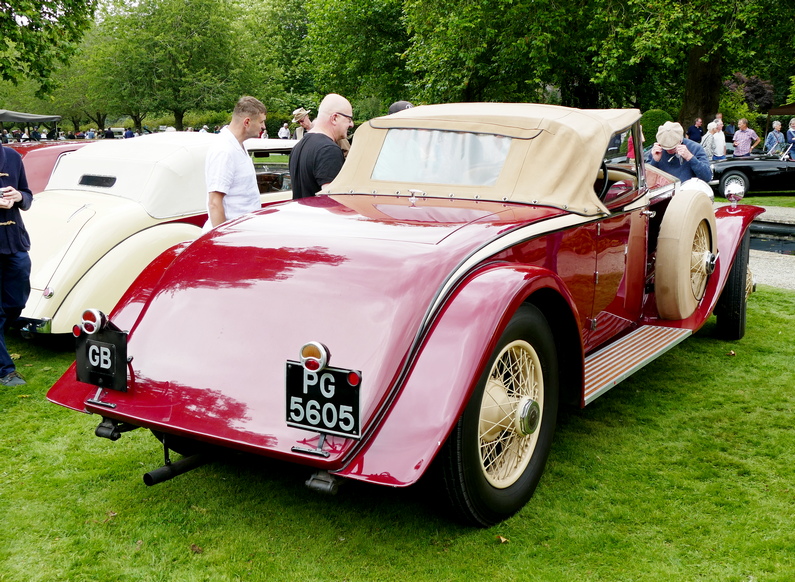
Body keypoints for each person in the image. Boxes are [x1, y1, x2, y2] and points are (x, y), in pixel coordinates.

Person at [203, 95, 267, 232]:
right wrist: (222, 239)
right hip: (231, 235)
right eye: (261, 122)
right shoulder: (224, 150)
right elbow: (214, 203)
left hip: (243, 233)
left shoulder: (237, 146)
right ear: (247, 122)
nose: (263, 126)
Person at [0, 144, 34, 386]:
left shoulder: (11, 156)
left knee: (16, 303)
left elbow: (28, 195)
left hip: (15, 243)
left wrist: (19, 197)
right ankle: (6, 371)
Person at [289, 93, 353, 199]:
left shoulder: (297, 147)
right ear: (334, 118)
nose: (351, 124)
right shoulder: (329, 150)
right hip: (320, 210)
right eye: (349, 119)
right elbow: (332, 200)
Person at [646, 121, 711, 183]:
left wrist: (690, 157)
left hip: (688, 189)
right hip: (664, 189)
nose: (669, 150)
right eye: (666, 148)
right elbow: (646, 181)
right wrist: (654, 161)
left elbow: (707, 177)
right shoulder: (656, 151)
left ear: (680, 140)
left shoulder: (695, 148)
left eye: (673, 147)